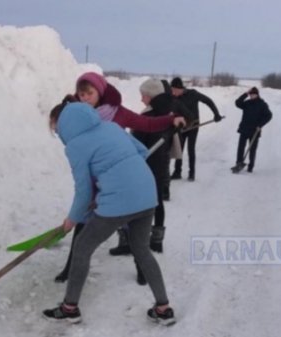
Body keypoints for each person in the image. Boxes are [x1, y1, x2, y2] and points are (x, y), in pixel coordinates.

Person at [43, 101, 176, 326]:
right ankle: (163, 309)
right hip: (147, 194)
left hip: (119, 200)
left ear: (64, 124)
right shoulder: (110, 127)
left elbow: (83, 189)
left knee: (82, 247)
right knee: (141, 249)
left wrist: (71, 220)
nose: (58, 134)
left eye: (56, 129)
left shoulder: (75, 146)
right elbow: (142, 151)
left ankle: (69, 308)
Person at [55, 72, 187, 282]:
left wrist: (172, 119)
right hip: (95, 181)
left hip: (118, 184)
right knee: (82, 224)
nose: (85, 98)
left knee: (132, 225)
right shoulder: (78, 117)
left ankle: (142, 269)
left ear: (100, 92)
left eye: (89, 93)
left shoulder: (118, 113)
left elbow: (146, 123)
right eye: (81, 94)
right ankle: (70, 269)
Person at [132, 79, 175, 256]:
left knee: (139, 203)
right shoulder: (168, 112)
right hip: (161, 163)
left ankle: (132, 240)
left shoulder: (149, 117)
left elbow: (137, 143)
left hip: (146, 165)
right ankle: (157, 242)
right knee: (157, 200)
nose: (141, 99)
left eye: (144, 95)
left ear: (151, 96)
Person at [170, 77, 223, 181]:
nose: (174, 93)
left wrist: (216, 114)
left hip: (194, 125)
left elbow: (208, 101)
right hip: (181, 126)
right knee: (179, 149)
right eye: (172, 90)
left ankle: (191, 173)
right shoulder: (174, 98)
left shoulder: (193, 94)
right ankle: (177, 172)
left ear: (180, 88)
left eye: (175, 90)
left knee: (190, 149)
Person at [231, 87, 273, 173]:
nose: (252, 96)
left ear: (257, 94)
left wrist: (260, 125)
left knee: (252, 149)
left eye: (254, 94)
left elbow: (269, 116)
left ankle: (251, 166)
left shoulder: (262, 104)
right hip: (244, 129)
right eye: (251, 94)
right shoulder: (247, 103)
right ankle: (239, 163)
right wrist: (245, 94)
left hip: (255, 131)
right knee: (240, 148)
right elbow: (237, 103)